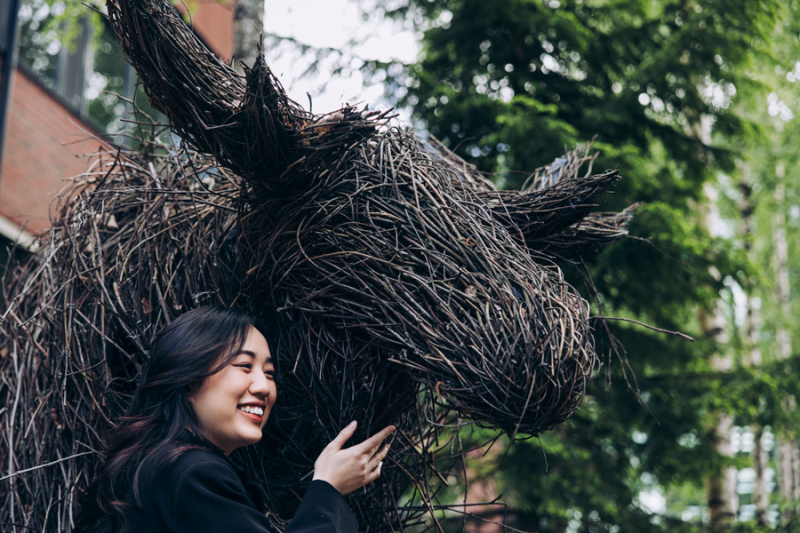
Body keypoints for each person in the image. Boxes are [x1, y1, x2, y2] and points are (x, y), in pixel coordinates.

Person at [75, 306, 395, 533]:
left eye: (269, 373)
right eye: (244, 366)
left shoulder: (147, 469)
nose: (264, 386)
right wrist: (327, 487)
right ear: (187, 380)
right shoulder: (193, 474)